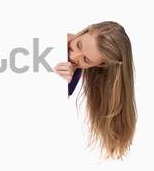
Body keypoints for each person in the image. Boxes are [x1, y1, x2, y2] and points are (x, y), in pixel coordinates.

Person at [54, 21, 136, 160]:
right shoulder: (51, 40)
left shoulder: (73, 73)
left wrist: (59, 85)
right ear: (86, 31)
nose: (74, 57)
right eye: (78, 45)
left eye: (86, 59)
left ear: (100, 65)